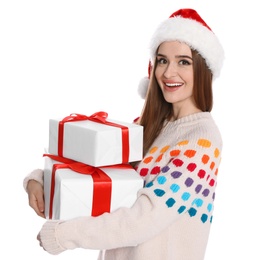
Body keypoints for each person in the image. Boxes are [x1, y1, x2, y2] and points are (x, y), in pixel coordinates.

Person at [23, 8, 224, 260]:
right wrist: (42, 179)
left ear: (203, 70)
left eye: (184, 61)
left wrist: (64, 234)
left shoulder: (203, 140)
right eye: (162, 60)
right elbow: (100, 176)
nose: (169, 73)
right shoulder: (146, 125)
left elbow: (144, 219)